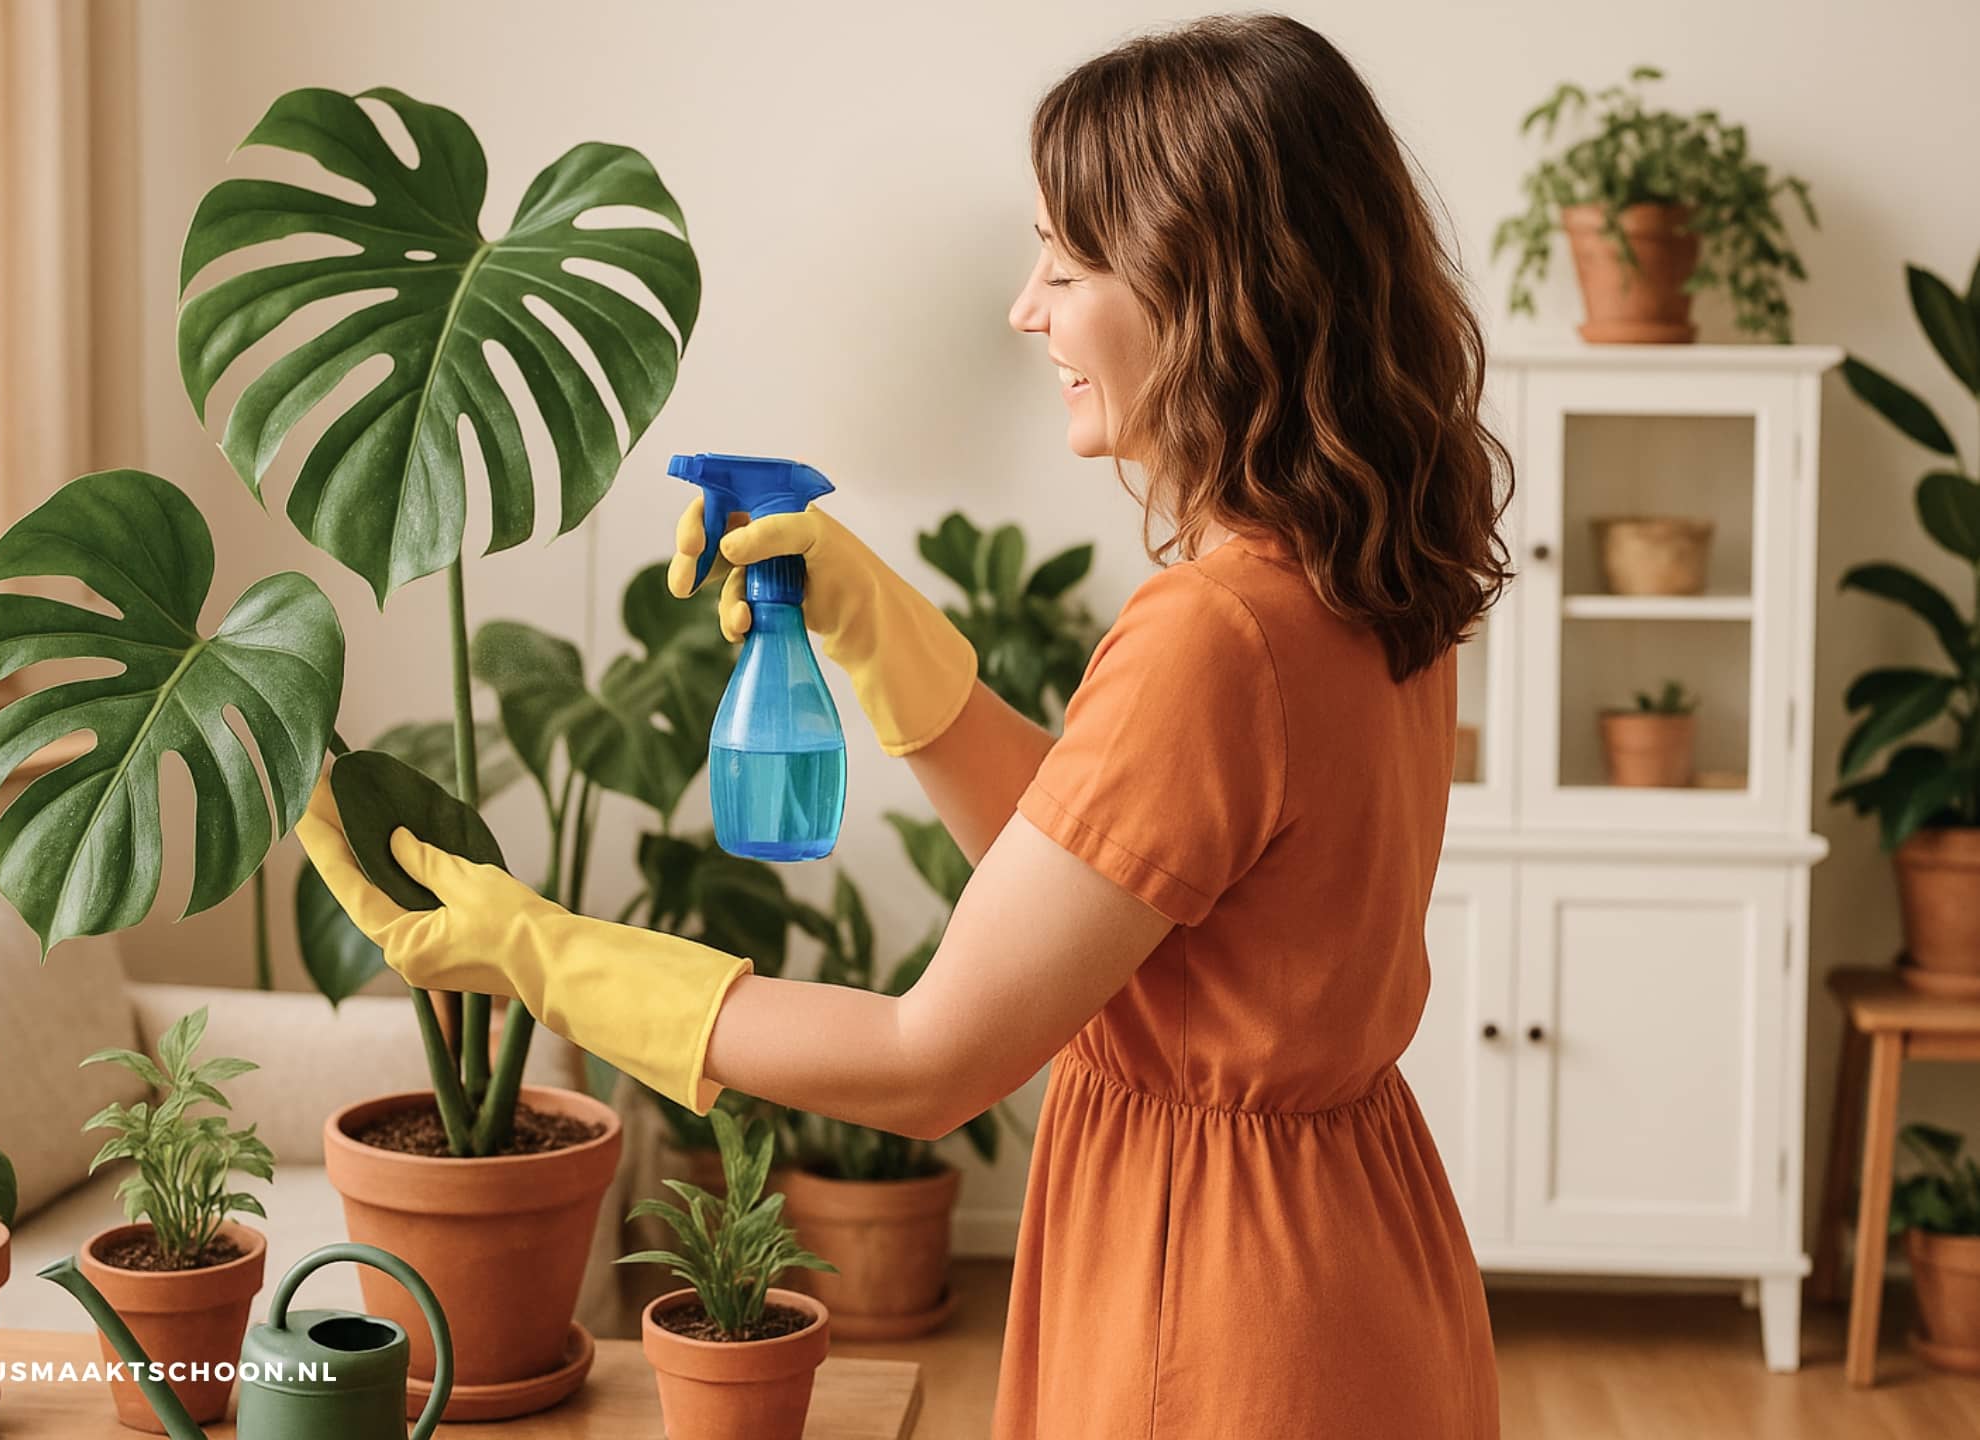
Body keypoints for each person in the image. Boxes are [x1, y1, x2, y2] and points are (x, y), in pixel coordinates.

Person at [300, 14, 1511, 1436]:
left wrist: (537, 949)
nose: (1027, 309)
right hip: (1356, 1262)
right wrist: (873, 624)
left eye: (1067, 263)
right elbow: (1110, 891)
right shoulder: (1361, 575)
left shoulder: (1215, 633)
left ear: (1210, 291)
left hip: (1214, 1304)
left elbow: (931, 1058)